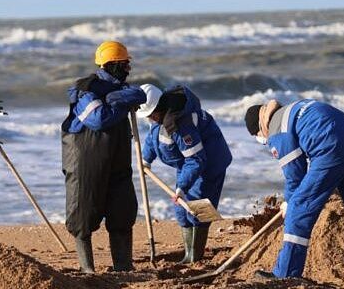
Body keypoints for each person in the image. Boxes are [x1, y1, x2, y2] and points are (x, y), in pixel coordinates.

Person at [243, 99, 344, 287]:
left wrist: (289, 202)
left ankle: (285, 275)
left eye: (259, 137)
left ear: (260, 128)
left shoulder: (276, 128)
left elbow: (294, 176)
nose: (263, 141)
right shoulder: (292, 109)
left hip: (330, 147)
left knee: (299, 208)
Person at [60, 40, 146, 273]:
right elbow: (98, 119)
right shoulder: (86, 89)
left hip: (117, 158)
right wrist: (119, 102)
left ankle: (123, 267)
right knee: (82, 215)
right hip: (85, 159)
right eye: (124, 63)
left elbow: (140, 94)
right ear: (111, 64)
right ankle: (88, 270)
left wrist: (113, 100)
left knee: (122, 210)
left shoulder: (122, 87)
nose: (128, 67)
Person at [137, 84, 232, 263]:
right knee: (181, 209)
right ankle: (188, 253)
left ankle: (195, 256)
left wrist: (182, 186)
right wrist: (146, 159)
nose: (149, 118)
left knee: (197, 207)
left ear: (159, 108)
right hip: (187, 163)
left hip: (209, 164)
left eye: (150, 114)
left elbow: (197, 160)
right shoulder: (159, 119)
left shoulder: (181, 125)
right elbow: (152, 139)